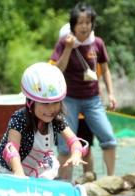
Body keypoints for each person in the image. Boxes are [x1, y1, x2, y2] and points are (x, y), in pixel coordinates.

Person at [50, 2, 117, 181]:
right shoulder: (64, 42)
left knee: (109, 138)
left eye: (88, 22)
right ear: (73, 25)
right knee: (65, 146)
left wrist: (111, 94)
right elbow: (57, 70)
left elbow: (106, 69)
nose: (85, 26)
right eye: (80, 23)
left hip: (93, 100)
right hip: (69, 100)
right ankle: (65, 185)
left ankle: (111, 180)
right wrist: (68, 49)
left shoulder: (98, 43)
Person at [0, 62, 86, 179]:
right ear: (30, 102)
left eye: (55, 102)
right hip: (12, 166)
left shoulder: (57, 119)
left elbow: (73, 141)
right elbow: (12, 148)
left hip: (38, 165)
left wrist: (76, 154)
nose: (51, 109)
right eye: (45, 104)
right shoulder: (19, 119)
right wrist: (18, 172)